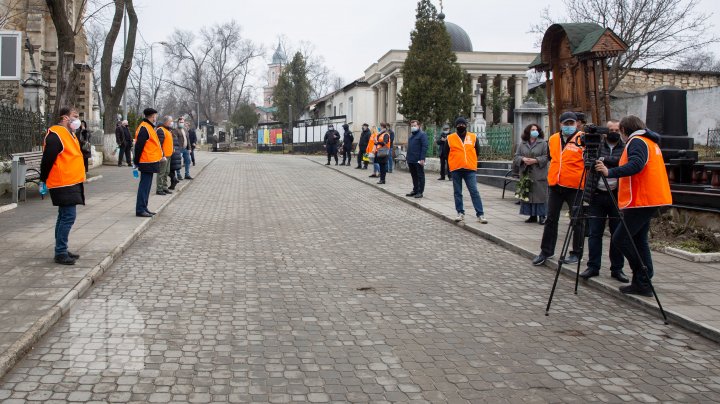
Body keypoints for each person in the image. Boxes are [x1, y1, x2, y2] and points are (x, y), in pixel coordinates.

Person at [595, 115, 672, 296]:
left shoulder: (636, 142)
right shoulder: (648, 141)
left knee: (620, 238)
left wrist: (609, 172)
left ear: (623, 130)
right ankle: (642, 281)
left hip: (642, 199)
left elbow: (636, 164)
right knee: (639, 240)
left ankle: (643, 275)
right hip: (648, 198)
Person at [532, 112, 585, 266]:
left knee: (577, 220)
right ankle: (546, 251)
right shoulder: (554, 139)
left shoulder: (583, 139)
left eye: (571, 123)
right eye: (566, 124)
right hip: (556, 184)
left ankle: (577, 253)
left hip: (575, 186)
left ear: (576, 124)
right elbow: (551, 157)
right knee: (551, 219)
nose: (568, 126)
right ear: (560, 124)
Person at [580, 120, 629, 283]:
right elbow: (588, 162)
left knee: (617, 234)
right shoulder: (595, 144)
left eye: (617, 129)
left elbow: (624, 164)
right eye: (610, 129)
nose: (614, 132)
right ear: (604, 131)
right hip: (596, 194)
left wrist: (604, 161)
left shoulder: (625, 147)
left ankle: (617, 268)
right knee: (594, 233)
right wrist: (605, 161)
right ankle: (593, 266)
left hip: (616, 194)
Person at [40, 107, 86, 265]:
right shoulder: (56, 135)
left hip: (70, 181)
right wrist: (43, 179)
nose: (77, 119)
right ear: (65, 118)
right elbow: (47, 159)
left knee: (63, 216)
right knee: (68, 217)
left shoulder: (69, 134)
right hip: (62, 182)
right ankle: (60, 252)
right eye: (75, 116)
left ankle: (62, 249)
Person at [448, 117, 487, 223]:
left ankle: (480, 214)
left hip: (470, 169)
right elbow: (447, 153)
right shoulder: (450, 138)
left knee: (474, 191)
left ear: (466, 125)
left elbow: (477, 151)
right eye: (459, 124)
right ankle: (460, 213)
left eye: (463, 124)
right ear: (456, 126)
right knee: (457, 192)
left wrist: (471, 161)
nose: (461, 126)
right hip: (456, 169)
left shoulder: (473, 137)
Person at [513, 124, 548, 224]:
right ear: (528, 131)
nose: (535, 131)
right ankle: (532, 216)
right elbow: (516, 157)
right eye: (532, 129)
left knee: (540, 195)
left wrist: (535, 160)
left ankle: (542, 216)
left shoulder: (543, 143)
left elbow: (546, 157)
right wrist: (523, 159)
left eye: (536, 129)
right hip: (526, 173)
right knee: (529, 193)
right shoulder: (522, 144)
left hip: (539, 173)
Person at [134, 108, 163, 217]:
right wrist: (136, 162)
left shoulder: (149, 127)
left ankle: (144, 207)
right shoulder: (144, 128)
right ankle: (140, 209)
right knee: (144, 187)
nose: (156, 117)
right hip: (146, 161)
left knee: (147, 187)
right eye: (155, 115)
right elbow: (139, 147)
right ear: (152, 116)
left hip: (150, 161)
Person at [405, 120, 428, 198]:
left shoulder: (422, 135)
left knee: (420, 176)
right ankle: (415, 190)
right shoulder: (411, 136)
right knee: (414, 176)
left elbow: (424, 147)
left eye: (414, 125)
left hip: (418, 159)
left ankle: (420, 192)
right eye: (412, 126)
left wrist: (422, 158)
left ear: (419, 126)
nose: (413, 127)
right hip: (411, 159)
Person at [155, 116, 175, 196]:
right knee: (161, 173)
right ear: (166, 122)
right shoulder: (160, 130)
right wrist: (162, 155)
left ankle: (164, 187)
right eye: (171, 121)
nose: (172, 123)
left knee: (166, 172)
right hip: (163, 156)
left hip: (169, 155)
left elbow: (168, 142)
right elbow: (159, 144)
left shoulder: (168, 130)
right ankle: (159, 189)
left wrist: (172, 148)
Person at [168, 125, 183, 190]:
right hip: (176, 155)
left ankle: (174, 179)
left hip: (172, 155)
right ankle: (172, 185)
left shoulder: (170, 137)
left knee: (168, 170)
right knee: (172, 170)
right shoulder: (175, 136)